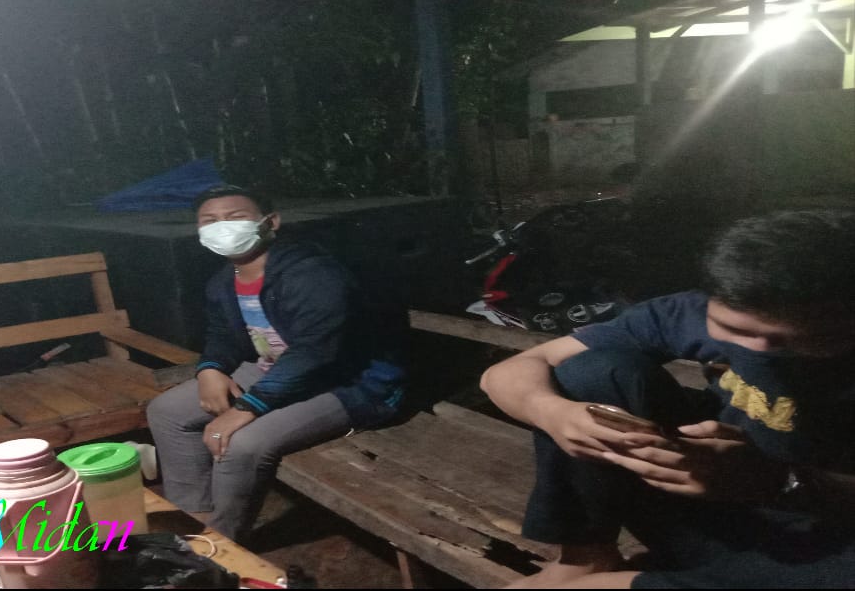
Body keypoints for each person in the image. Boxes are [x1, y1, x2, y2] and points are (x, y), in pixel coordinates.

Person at [481, 209, 855, 588]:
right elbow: (509, 373)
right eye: (734, 330)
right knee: (594, 372)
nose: (759, 350)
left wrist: (782, 481)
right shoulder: (689, 312)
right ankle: (586, 559)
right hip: (700, 507)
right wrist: (553, 413)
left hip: (829, 544)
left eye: (796, 339)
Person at [146, 185, 407, 542]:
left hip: (350, 382)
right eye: (210, 220)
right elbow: (223, 333)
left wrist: (248, 407)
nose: (222, 226)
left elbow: (315, 351)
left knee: (239, 442)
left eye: (235, 217)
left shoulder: (312, 273)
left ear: (270, 222)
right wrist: (210, 369)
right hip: (276, 370)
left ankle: (220, 544)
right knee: (166, 412)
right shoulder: (224, 281)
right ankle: (192, 519)